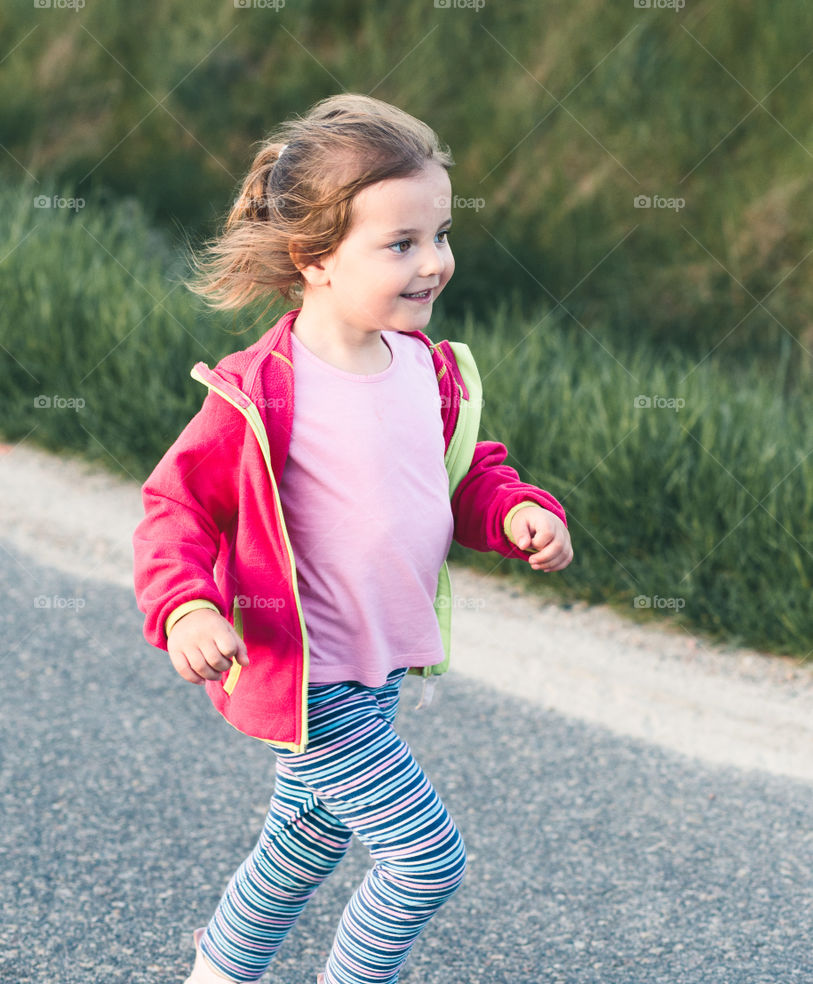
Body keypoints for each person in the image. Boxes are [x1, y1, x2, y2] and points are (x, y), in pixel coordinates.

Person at [133, 92, 573, 984]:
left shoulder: (423, 365)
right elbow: (175, 507)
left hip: (378, 670)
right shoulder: (260, 393)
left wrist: (515, 510)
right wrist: (184, 609)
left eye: (441, 236)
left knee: (300, 845)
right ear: (314, 258)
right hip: (310, 673)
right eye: (401, 245)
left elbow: (459, 472)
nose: (434, 264)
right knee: (424, 861)